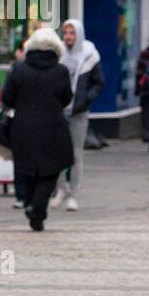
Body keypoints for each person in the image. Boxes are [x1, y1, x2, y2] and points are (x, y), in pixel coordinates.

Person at [0, 26, 73, 231]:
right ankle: (37, 208)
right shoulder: (61, 71)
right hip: (53, 126)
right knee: (51, 170)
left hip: (23, 126)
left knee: (29, 169)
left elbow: (7, 97)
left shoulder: (19, 69)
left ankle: (33, 207)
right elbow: (67, 98)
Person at [51, 19, 104, 212]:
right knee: (55, 152)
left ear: (79, 34)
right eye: (65, 33)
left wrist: (86, 100)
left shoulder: (90, 54)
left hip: (79, 112)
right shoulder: (59, 54)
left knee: (75, 154)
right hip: (59, 110)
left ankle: (74, 195)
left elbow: (99, 83)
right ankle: (60, 190)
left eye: (72, 33)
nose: (68, 37)